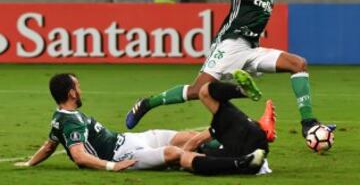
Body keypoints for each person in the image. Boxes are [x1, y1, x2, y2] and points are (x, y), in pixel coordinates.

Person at [126, 0, 334, 140]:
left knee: (298, 64)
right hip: (231, 43)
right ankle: (147, 104)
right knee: (197, 90)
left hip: (252, 49)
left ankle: (308, 123)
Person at [14, 72, 271, 175]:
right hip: (124, 153)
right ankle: (240, 164)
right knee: (176, 154)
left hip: (130, 139)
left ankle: (246, 141)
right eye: (77, 87)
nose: (80, 90)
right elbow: (80, 157)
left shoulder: (62, 118)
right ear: (71, 93)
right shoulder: (68, 123)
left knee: (188, 137)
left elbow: (49, 146)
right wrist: (112, 166)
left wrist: (29, 162)